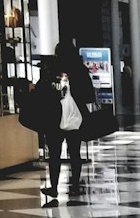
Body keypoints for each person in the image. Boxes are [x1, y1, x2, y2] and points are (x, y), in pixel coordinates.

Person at [31, 51, 96, 203]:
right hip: (75, 119)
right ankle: (74, 185)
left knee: (54, 155)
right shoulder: (80, 72)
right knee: (74, 153)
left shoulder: (51, 71)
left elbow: (41, 91)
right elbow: (89, 95)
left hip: (53, 119)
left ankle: (54, 187)